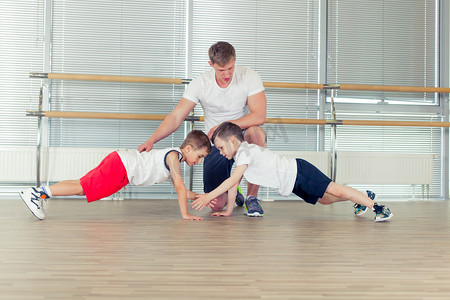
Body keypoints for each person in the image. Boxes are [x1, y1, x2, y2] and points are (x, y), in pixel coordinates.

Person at [138, 41, 267, 217]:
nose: (227, 74)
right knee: (216, 205)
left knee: (256, 133)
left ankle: (252, 198)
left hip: (240, 137)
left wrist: (223, 126)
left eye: (230, 68)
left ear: (235, 60)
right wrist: (151, 140)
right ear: (211, 65)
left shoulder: (249, 76)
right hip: (216, 144)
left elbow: (259, 116)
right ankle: (233, 190)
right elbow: (176, 117)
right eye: (221, 70)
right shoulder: (201, 83)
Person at [192, 122, 393, 222]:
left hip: (299, 171)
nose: (220, 152)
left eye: (220, 148)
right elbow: (234, 184)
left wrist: (208, 196)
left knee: (336, 190)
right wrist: (228, 211)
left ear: (233, 142)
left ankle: (378, 208)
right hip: (293, 182)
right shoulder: (240, 155)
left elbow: (232, 180)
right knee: (324, 199)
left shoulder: (244, 151)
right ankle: (364, 196)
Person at [19, 130, 211, 221]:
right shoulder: (174, 156)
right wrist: (185, 214)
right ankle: (36, 193)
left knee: (82, 186)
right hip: (121, 166)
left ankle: (41, 193)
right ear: (188, 148)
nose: (199, 161)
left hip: (120, 163)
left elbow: (182, 191)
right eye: (199, 156)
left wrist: (201, 196)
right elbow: (179, 185)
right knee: (82, 187)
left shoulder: (174, 156)